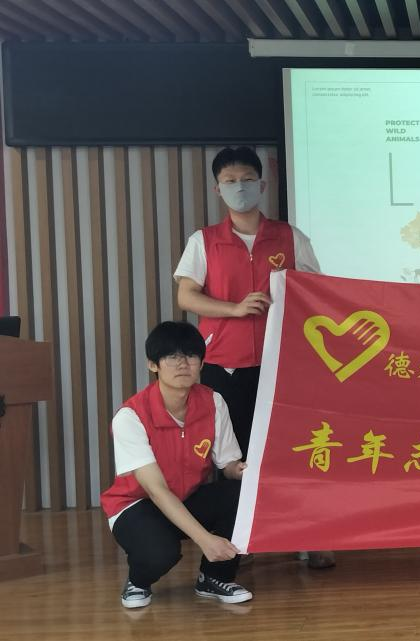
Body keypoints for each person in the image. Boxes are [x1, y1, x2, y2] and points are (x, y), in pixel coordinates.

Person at [174, 146, 334, 569]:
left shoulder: (290, 237)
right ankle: (236, 542)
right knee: (234, 458)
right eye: (229, 181)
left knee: (294, 451)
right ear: (218, 189)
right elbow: (187, 296)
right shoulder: (204, 241)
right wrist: (234, 309)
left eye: (247, 179)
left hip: (283, 364)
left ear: (262, 185)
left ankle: (307, 537)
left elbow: (316, 291)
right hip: (224, 366)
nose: (239, 187)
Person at [101, 321, 252, 608]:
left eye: (191, 356)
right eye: (171, 356)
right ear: (153, 365)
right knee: (160, 553)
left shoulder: (213, 401)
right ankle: (138, 581)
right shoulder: (131, 416)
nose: (183, 364)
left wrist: (245, 472)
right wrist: (205, 540)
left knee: (242, 495)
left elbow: (228, 463)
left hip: (187, 496)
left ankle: (214, 578)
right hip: (137, 505)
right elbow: (156, 490)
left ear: (202, 363)